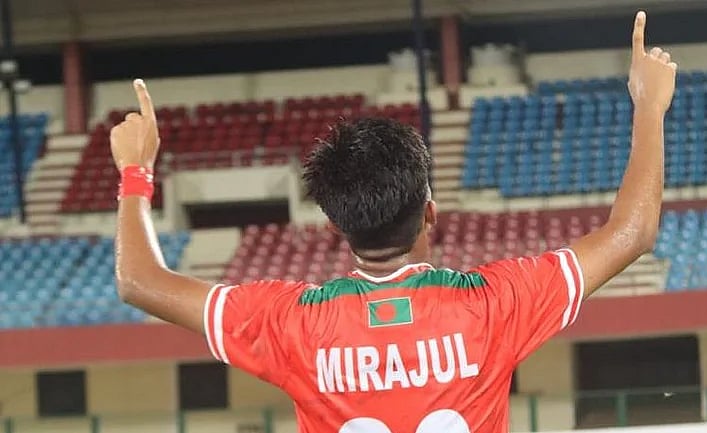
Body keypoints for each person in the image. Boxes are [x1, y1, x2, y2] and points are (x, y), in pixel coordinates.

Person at [111, 11, 676, 433]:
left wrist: (136, 171)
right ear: (430, 211)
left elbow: (139, 281)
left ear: (336, 225)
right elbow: (633, 232)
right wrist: (648, 106)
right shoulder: (493, 307)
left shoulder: (293, 326)